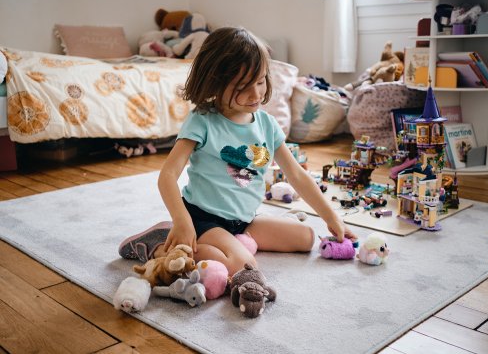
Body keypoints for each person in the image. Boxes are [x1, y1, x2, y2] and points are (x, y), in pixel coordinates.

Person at [119, 27, 357, 275]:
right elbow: (167, 175)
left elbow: (296, 175)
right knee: (242, 266)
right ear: (215, 83)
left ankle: (229, 242)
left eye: (260, 80)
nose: (256, 94)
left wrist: (331, 217)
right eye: (242, 86)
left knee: (306, 237)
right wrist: (182, 220)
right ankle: (160, 244)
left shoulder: (267, 124)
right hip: (203, 219)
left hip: (244, 221)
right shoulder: (202, 120)